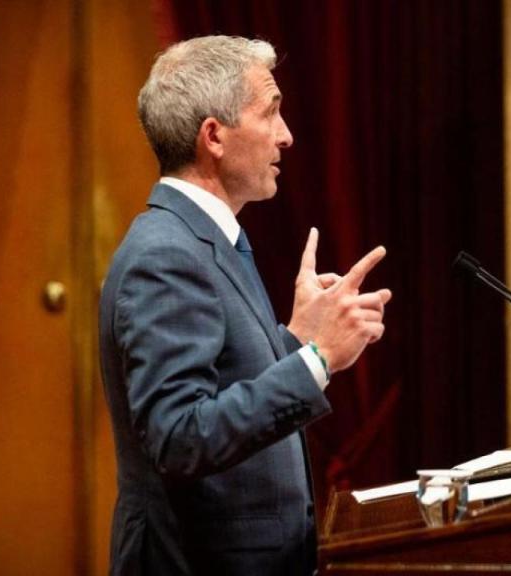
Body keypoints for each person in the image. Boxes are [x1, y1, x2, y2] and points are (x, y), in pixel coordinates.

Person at [98, 35, 392, 575]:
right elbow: (180, 435)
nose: (287, 136)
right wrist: (317, 359)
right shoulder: (166, 254)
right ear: (213, 135)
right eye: (271, 113)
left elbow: (220, 388)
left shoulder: (206, 239)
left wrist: (294, 341)